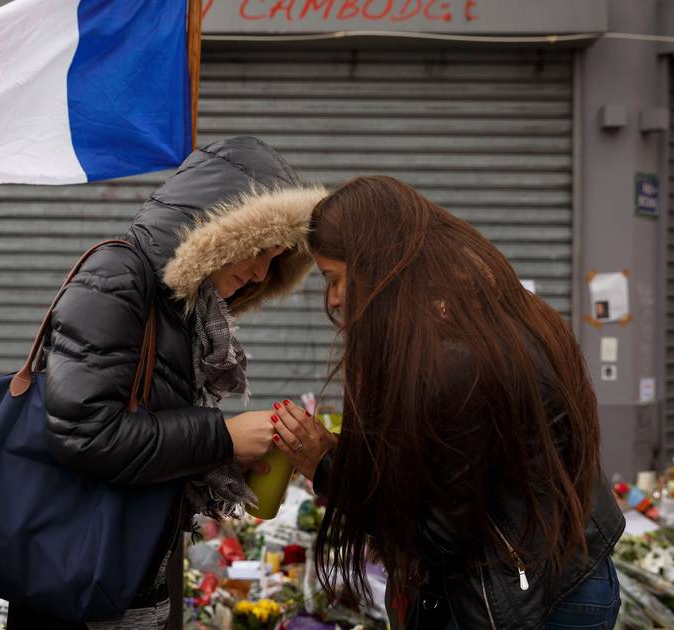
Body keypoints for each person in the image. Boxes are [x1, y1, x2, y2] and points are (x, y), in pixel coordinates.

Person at [268, 176, 625, 630]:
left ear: (379, 265)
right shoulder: (479, 313)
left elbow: (436, 537)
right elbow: (438, 475)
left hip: (532, 600)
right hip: (559, 577)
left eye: (335, 279)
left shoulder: (457, 360)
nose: (334, 299)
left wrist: (327, 466)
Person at [8, 137, 326, 629]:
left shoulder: (180, 308)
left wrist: (236, 455)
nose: (263, 272)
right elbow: (85, 433)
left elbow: (147, 438)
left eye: (277, 257)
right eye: (259, 250)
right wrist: (223, 436)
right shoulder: (119, 275)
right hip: (77, 584)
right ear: (220, 228)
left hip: (126, 577)